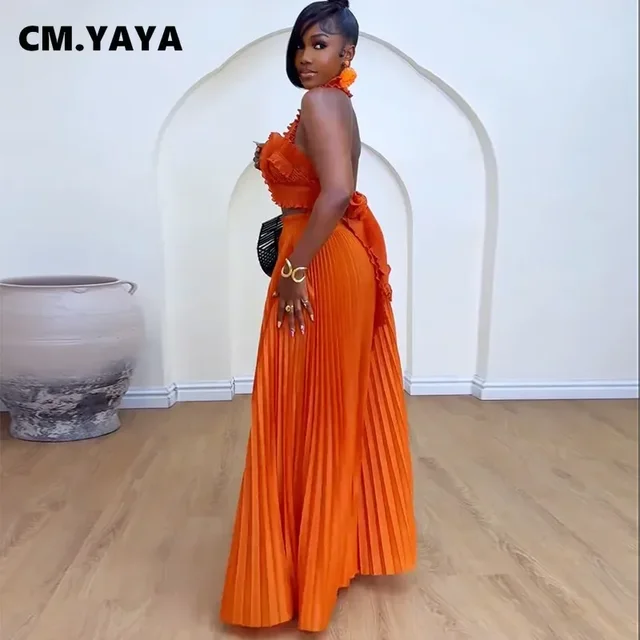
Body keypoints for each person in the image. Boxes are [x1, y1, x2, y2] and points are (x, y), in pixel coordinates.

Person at [219, 0, 417, 633]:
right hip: (327, 257)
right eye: (302, 44)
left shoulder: (322, 103)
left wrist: (296, 271)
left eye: (320, 44)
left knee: (307, 408)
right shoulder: (336, 104)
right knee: (323, 407)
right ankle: (321, 558)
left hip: (320, 265)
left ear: (346, 55)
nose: (306, 56)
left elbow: (335, 193)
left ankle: (309, 570)